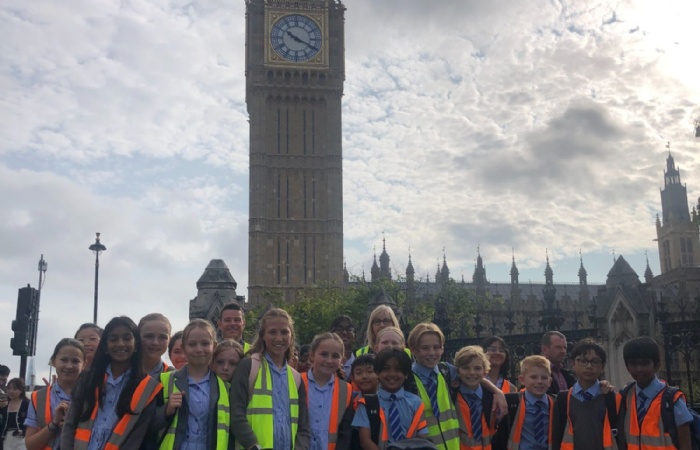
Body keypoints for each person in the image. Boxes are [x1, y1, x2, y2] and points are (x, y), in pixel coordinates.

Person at [61, 316, 162, 450]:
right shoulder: (87, 379)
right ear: (105, 346)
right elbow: (69, 424)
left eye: (127, 338)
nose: (120, 344)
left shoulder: (147, 387)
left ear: (136, 344)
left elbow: (137, 437)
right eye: (113, 339)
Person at [229, 307, 311, 450]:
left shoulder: (296, 378)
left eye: (284, 332)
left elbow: (303, 427)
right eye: (272, 332)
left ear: (291, 336)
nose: (279, 338)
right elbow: (236, 414)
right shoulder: (248, 366)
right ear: (263, 336)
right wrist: (253, 445)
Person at [159, 318, 230, 450]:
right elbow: (147, 425)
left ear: (214, 347)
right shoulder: (164, 380)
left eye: (205, 343)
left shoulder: (225, 387)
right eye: (192, 344)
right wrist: (166, 410)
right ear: (183, 348)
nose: (199, 349)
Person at [621, 336, 693, 450]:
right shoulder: (625, 395)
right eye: (633, 364)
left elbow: (685, 442)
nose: (639, 369)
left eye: (644, 363)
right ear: (627, 367)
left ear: (657, 365)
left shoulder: (672, 399)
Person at [551, 339, 620, 450]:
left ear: (603, 367)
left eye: (595, 362)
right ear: (573, 363)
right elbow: (556, 437)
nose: (589, 366)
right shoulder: (563, 400)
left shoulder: (612, 398)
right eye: (583, 361)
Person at [352, 348, 428, 449]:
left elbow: (421, 436)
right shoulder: (366, 404)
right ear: (377, 372)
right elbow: (365, 441)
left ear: (406, 374)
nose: (392, 374)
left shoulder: (416, 402)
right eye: (386, 369)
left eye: (398, 369)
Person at [407, 323, 460, 450]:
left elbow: (474, 376)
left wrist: (496, 392)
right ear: (414, 350)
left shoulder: (446, 371)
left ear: (442, 348)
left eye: (436, 347)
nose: (432, 353)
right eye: (425, 348)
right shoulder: (408, 380)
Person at [25, 338, 85, 450]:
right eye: (64, 360)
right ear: (53, 361)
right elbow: (30, 445)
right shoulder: (38, 397)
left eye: (75, 361)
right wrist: (54, 423)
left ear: (84, 364)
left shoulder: (93, 397)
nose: (69, 366)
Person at [301, 332, 352, 450]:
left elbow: (345, 432)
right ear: (312, 356)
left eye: (335, 356)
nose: (329, 360)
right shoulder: (297, 382)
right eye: (324, 354)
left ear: (341, 360)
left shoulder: (346, 390)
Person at [493, 355, 553, 450]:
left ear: (550, 381)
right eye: (533, 377)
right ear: (522, 380)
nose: (539, 381)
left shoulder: (556, 403)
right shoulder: (511, 402)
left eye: (544, 378)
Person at [453, 346, 499, 450]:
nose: (472, 372)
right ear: (458, 371)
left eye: (477, 368)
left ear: (484, 371)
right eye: (466, 368)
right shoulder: (452, 395)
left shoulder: (491, 397)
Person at [138, 313, 172, 378]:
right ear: (137, 337)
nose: (155, 343)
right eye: (149, 336)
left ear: (169, 340)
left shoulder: (174, 378)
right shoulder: (121, 371)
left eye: (162, 337)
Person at [541, 331, 574, 396]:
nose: (563, 351)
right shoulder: (535, 374)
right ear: (544, 349)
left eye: (565, 348)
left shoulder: (567, 374)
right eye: (558, 347)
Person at [0, 378, 29, 450]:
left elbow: (32, 422)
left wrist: (23, 431)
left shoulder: (26, 404)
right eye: (9, 388)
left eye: (15, 389)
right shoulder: (4, 404)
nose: (11, 391)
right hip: (7, 437)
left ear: (21, 390)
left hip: (22, 437)